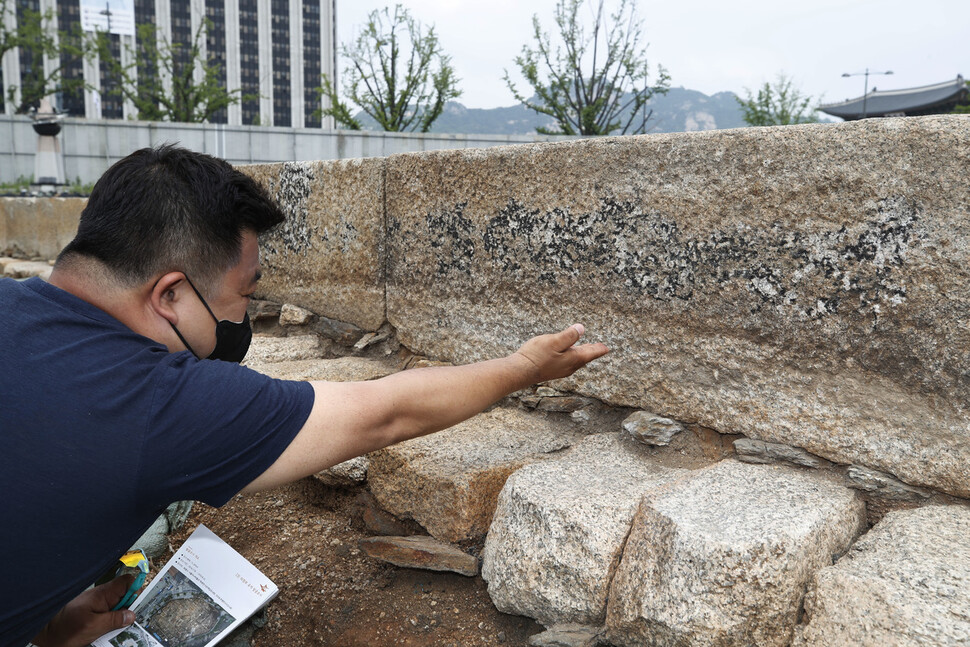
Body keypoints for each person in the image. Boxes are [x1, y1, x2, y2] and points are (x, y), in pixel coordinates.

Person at [0, 145, 608, 647]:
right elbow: (387, 412)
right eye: (243, 292)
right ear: (171, 297)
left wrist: (41, 612)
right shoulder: (160, 402)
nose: (248, 313)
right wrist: (524, 366)